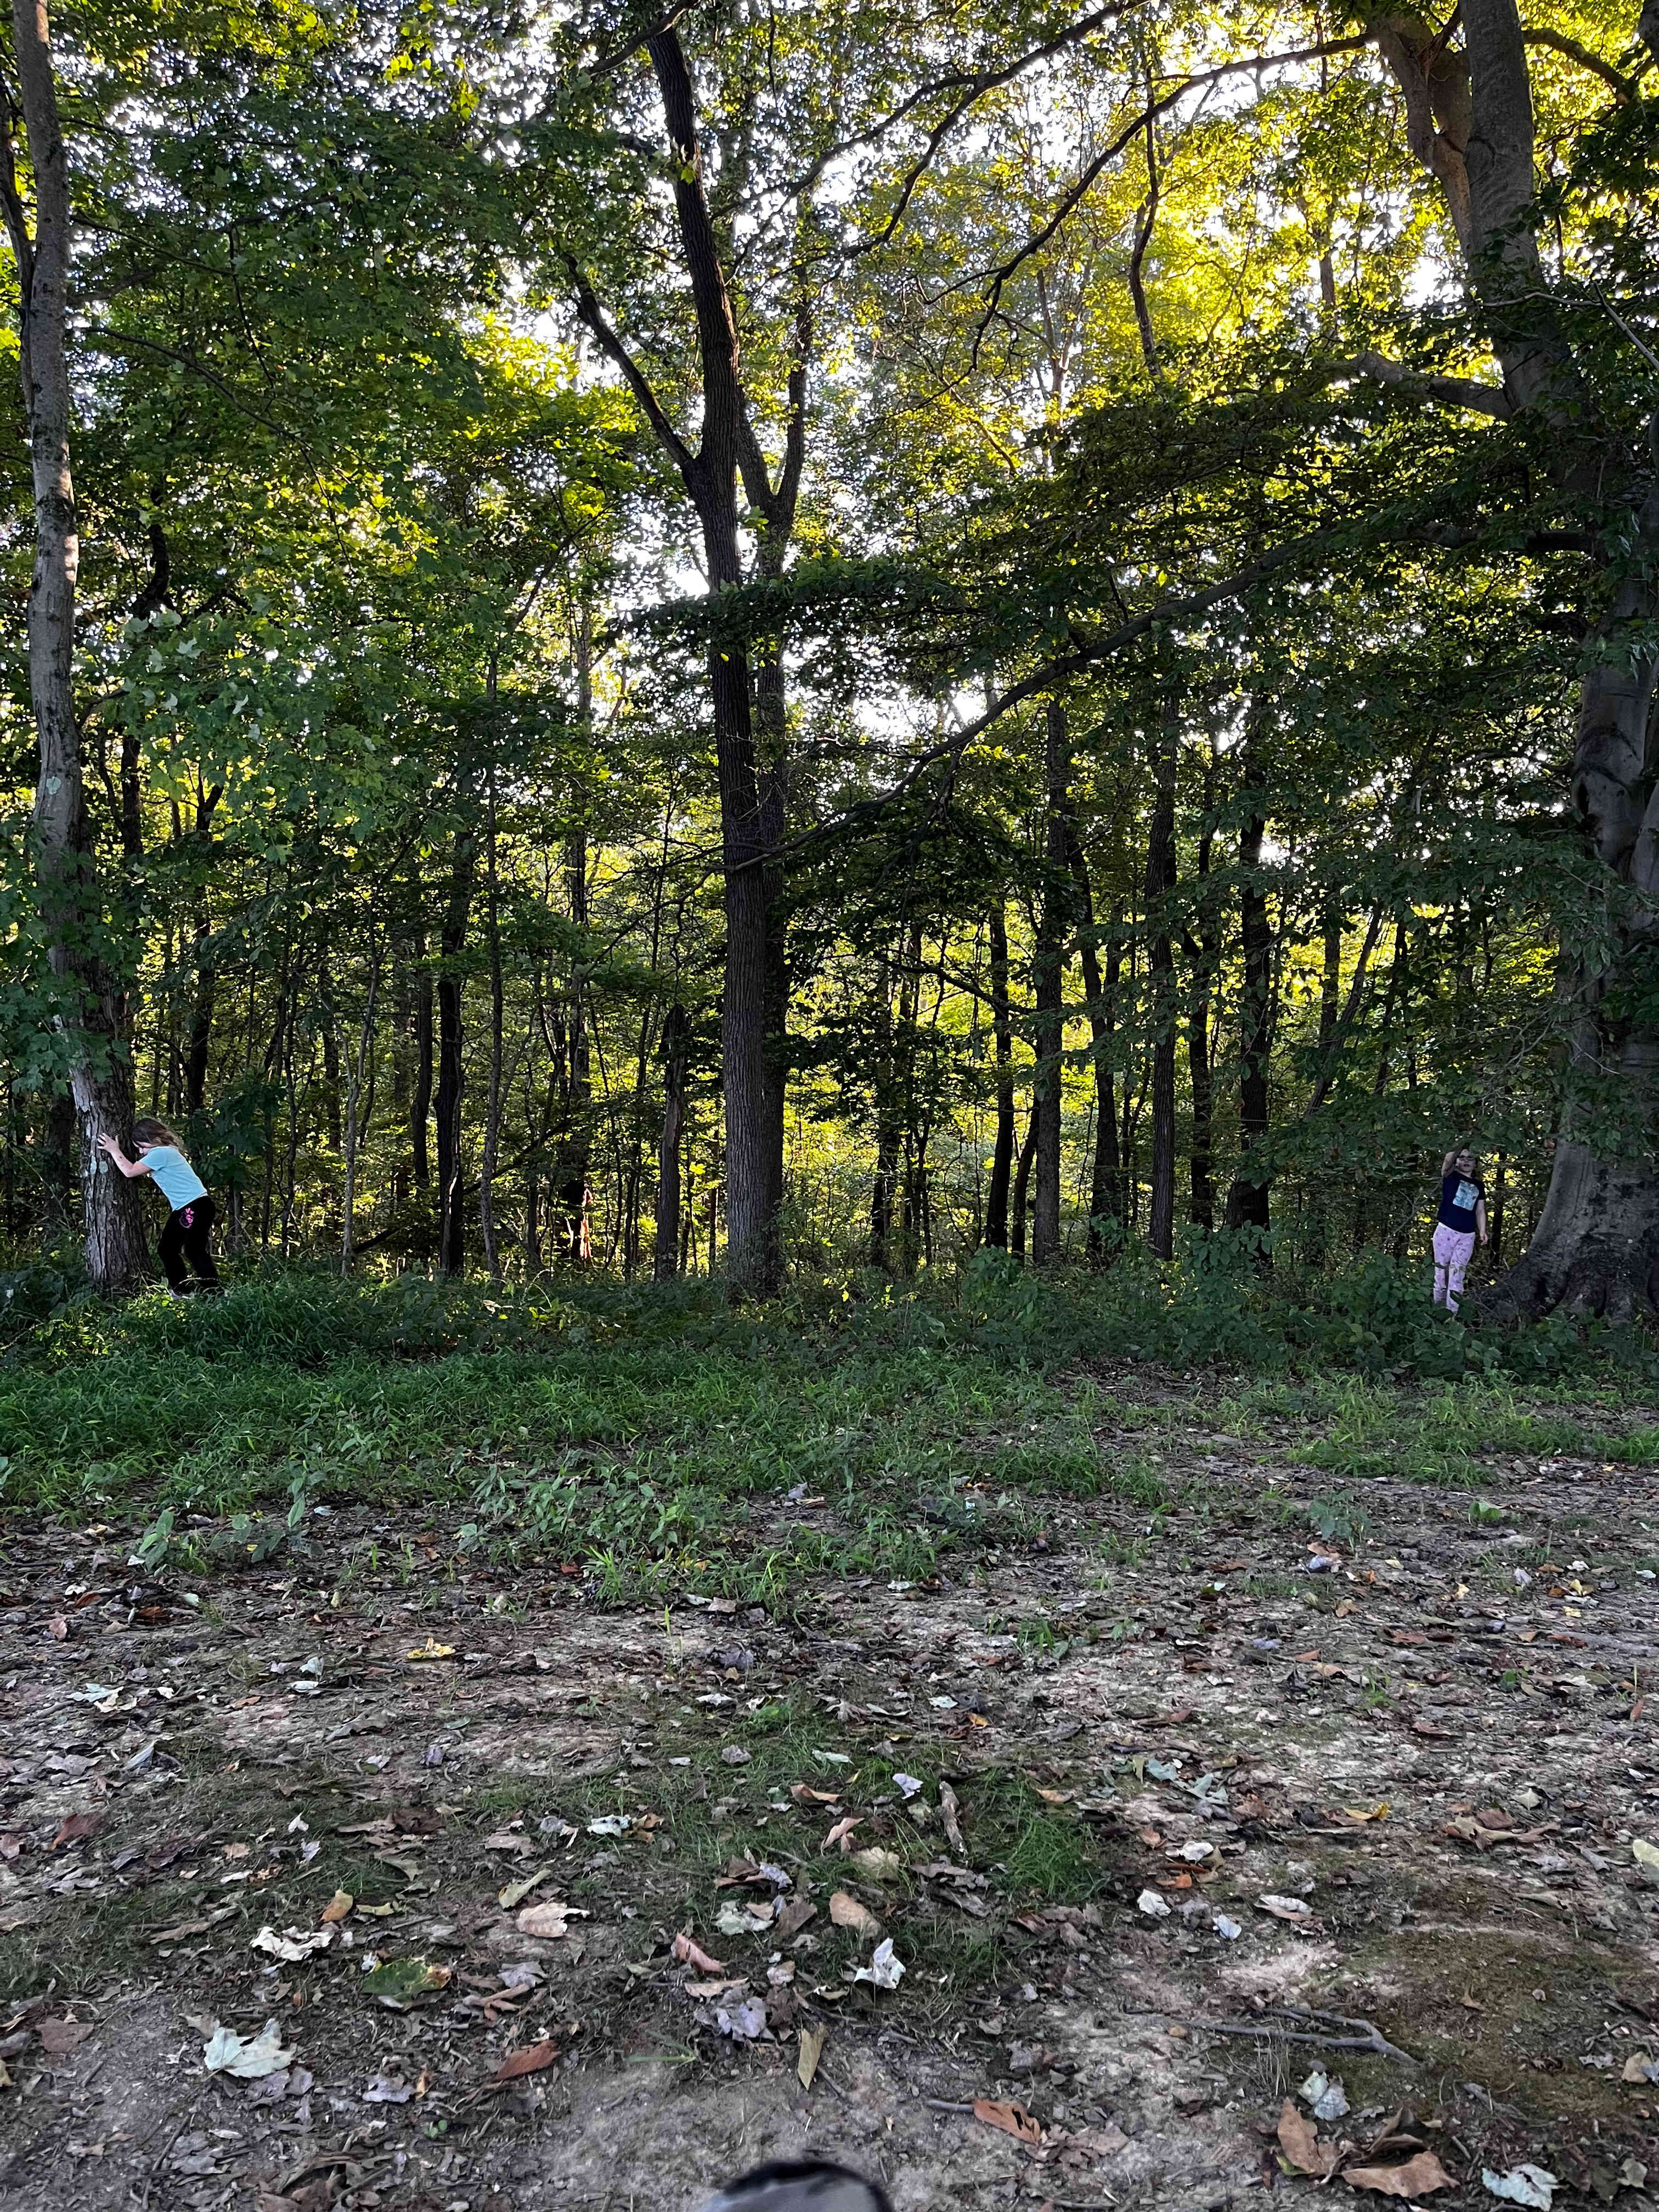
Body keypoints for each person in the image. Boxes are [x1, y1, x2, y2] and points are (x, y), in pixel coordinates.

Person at [97, 1118, 221, 1295]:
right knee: (171, 1249)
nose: (140, 1151)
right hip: (190, 1207)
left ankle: (211, 1293)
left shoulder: (160, 1153)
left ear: (154, 1139)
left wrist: (114, 1150)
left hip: (193, 1206)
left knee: (191, 1251)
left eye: (142, 1146)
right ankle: (185, 1291)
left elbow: (130, 1171)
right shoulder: (168, 1151)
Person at [1431, 1143, 1487, 1316]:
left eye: (1471, 1158)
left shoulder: (1479, 1185)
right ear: (1457, 1161)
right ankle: (1437, 1311)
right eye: (1463, 1158)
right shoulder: (1450, 1176)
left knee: (1457, 1276)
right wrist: (1464, 1144)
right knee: (1441, 1274)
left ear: (1476, 1163)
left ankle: (1451, 1317)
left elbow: (1480, 1210)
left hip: (1467, 1236)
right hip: (1445, 1231)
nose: (1466, 1161)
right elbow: (1448, 1157)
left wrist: (1483, 1231)